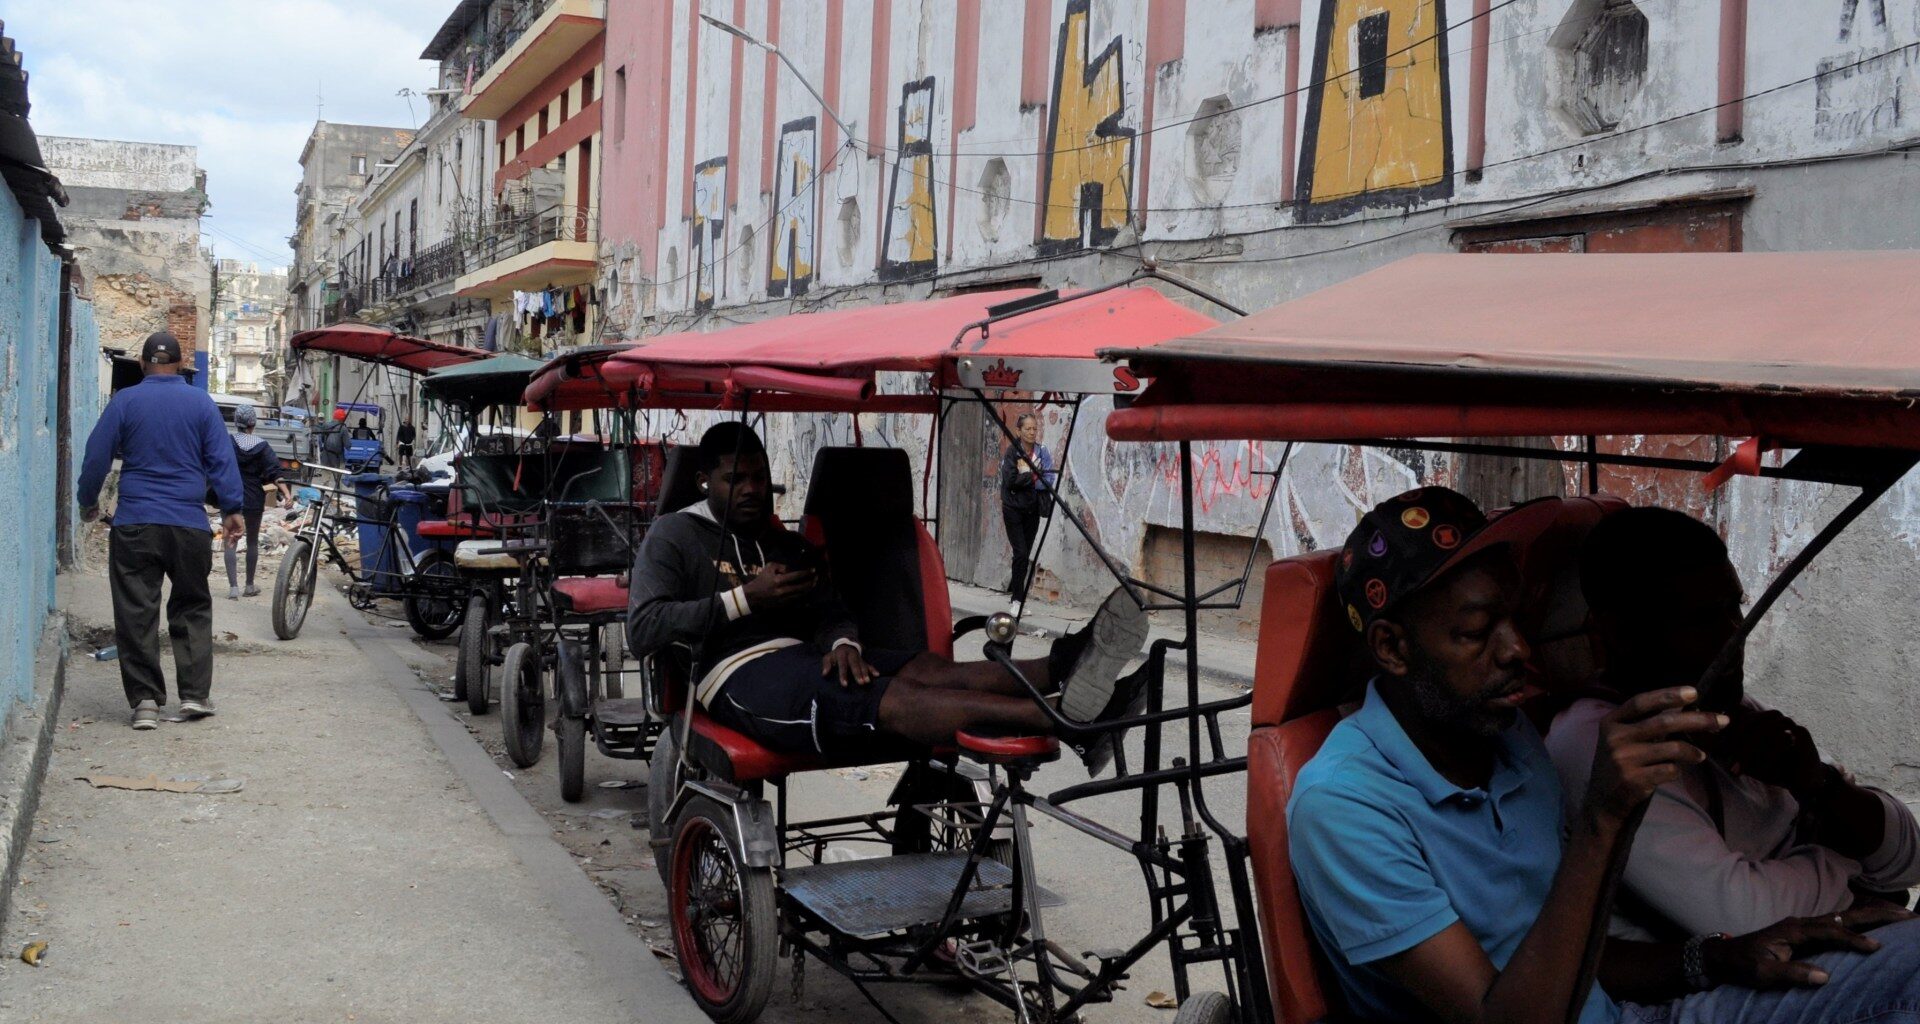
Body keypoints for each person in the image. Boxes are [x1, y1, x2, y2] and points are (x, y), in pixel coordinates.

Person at [1286, 486, 1920, 1024]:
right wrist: (1604, 816)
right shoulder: (1344, 807)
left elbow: (1578, 952)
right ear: (1393, 648)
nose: (1515, 651)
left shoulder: (1505, 740)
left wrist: (1718, 955)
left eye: (1517, 620)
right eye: (1479, 631)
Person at [628, 423, 1150, 772]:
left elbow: (829, 607)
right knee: (895, 699)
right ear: (703, 482)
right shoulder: (674, 535)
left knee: (926, 667)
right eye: (734, 479)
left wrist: (843, 641)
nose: (751, 490)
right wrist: (744, 599)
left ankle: (1069, 659)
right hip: (735, 676)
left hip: (806, 658)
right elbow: (644, 629)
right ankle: (1065, 718)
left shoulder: (782, 541)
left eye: (759, 479)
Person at [1546, 507, 1920, 945]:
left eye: (1735, 608)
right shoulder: (1599, 745)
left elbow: (1907, 859)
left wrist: (1819, 786)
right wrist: (1851, 871)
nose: (1734, 637)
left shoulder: (1728, 709)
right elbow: (1741, 916)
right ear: (1621, 631)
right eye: (1702, 619)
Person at [77, 333, 244, 730]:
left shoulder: (125, 402)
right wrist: (232, 509)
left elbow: (96, 455)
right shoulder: (201, 403)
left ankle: (146, 703)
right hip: (188, 525)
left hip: (135, 523)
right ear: (181, 363)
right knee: (192, 606)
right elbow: (222, 460)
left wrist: (88, 502)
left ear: (142, 361)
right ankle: (194, 696)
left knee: (136, 611)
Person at [224, 404, 294, 600]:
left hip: (231, 496)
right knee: (252, 541)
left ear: (236, 423)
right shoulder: (262, 446)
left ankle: (233, 588)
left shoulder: (227, 442)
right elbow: (275, 472)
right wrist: (287, 494)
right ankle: (249, 585)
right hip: (254, 497)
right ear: (253, 423)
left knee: (230, 540)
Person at [998, 413, 1055, 602]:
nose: (1032, 432)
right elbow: (1011, 481)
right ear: (1019, 431)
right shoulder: (1012, 452)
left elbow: (1048, 480)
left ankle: (1018, 595)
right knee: (1020, 552)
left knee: (1026, 553)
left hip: (1033, 509)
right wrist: (1032, 476)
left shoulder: (1042, 452)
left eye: (1034, 429)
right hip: (1013, 508)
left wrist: (1029, 478)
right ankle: (1016, 598)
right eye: (1027, 429)